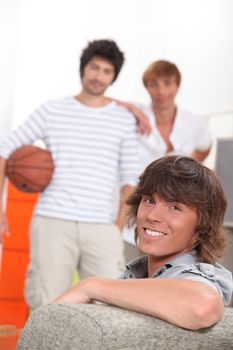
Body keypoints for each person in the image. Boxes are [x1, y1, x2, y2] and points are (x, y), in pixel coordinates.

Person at [0, 39, 140, 310]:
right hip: (53, 220)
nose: (99, 76)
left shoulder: (123, 119)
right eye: (94, 67)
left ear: (113, 77)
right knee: (47, 307)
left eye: (107, 71)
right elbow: (5, 149)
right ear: (83, 68)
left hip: (102, 226)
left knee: (108, 310)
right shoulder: (52, 110)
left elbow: (130, 178)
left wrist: (117, 226)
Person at [54, 155, 233, 331]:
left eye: (175, 207)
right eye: (149, 201)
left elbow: (202, 306)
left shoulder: (194, 278)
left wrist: (90, 286)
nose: (152, 216)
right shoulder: (135, 275)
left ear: (202, 226)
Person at [121, 59, 212, 248]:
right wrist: (133, 109)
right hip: (134, 212)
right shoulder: (132, 117)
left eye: (167, 83)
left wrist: (188, 165)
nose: (161, 91)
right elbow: (99, 100)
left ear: (177, 86)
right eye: (154, 84)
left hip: (173, 217)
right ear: (147, 88)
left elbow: (205, 146)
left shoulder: (193, 123)